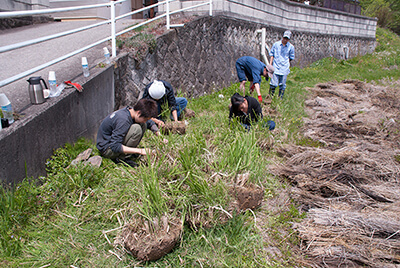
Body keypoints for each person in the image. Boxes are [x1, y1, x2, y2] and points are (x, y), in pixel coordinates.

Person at [96, 98, 158, 167]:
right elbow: (115, 146)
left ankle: (127, 153)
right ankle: (122, 159)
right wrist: (140, 151)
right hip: (107, 149)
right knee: (136, 129)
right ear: (138, 113)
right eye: (145, 119)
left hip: (112, 143)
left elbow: (149, 122)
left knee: (143, 125)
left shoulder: (131, 111)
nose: (145, 121)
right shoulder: (123, 120)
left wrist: (157, 133)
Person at [269, 30, 295, 99]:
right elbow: (272, 55)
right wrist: (270, 65)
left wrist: (286, 63)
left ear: (289, 39)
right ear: (282, 37)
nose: (285, 40)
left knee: (282, 85)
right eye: (284, 38)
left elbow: (291, 57)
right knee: (273, 83)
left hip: (284, 68)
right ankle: (270, 97)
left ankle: (280, 98)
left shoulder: (291, 47)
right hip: (276, 67)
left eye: (287, 39)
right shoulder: (276, 45)